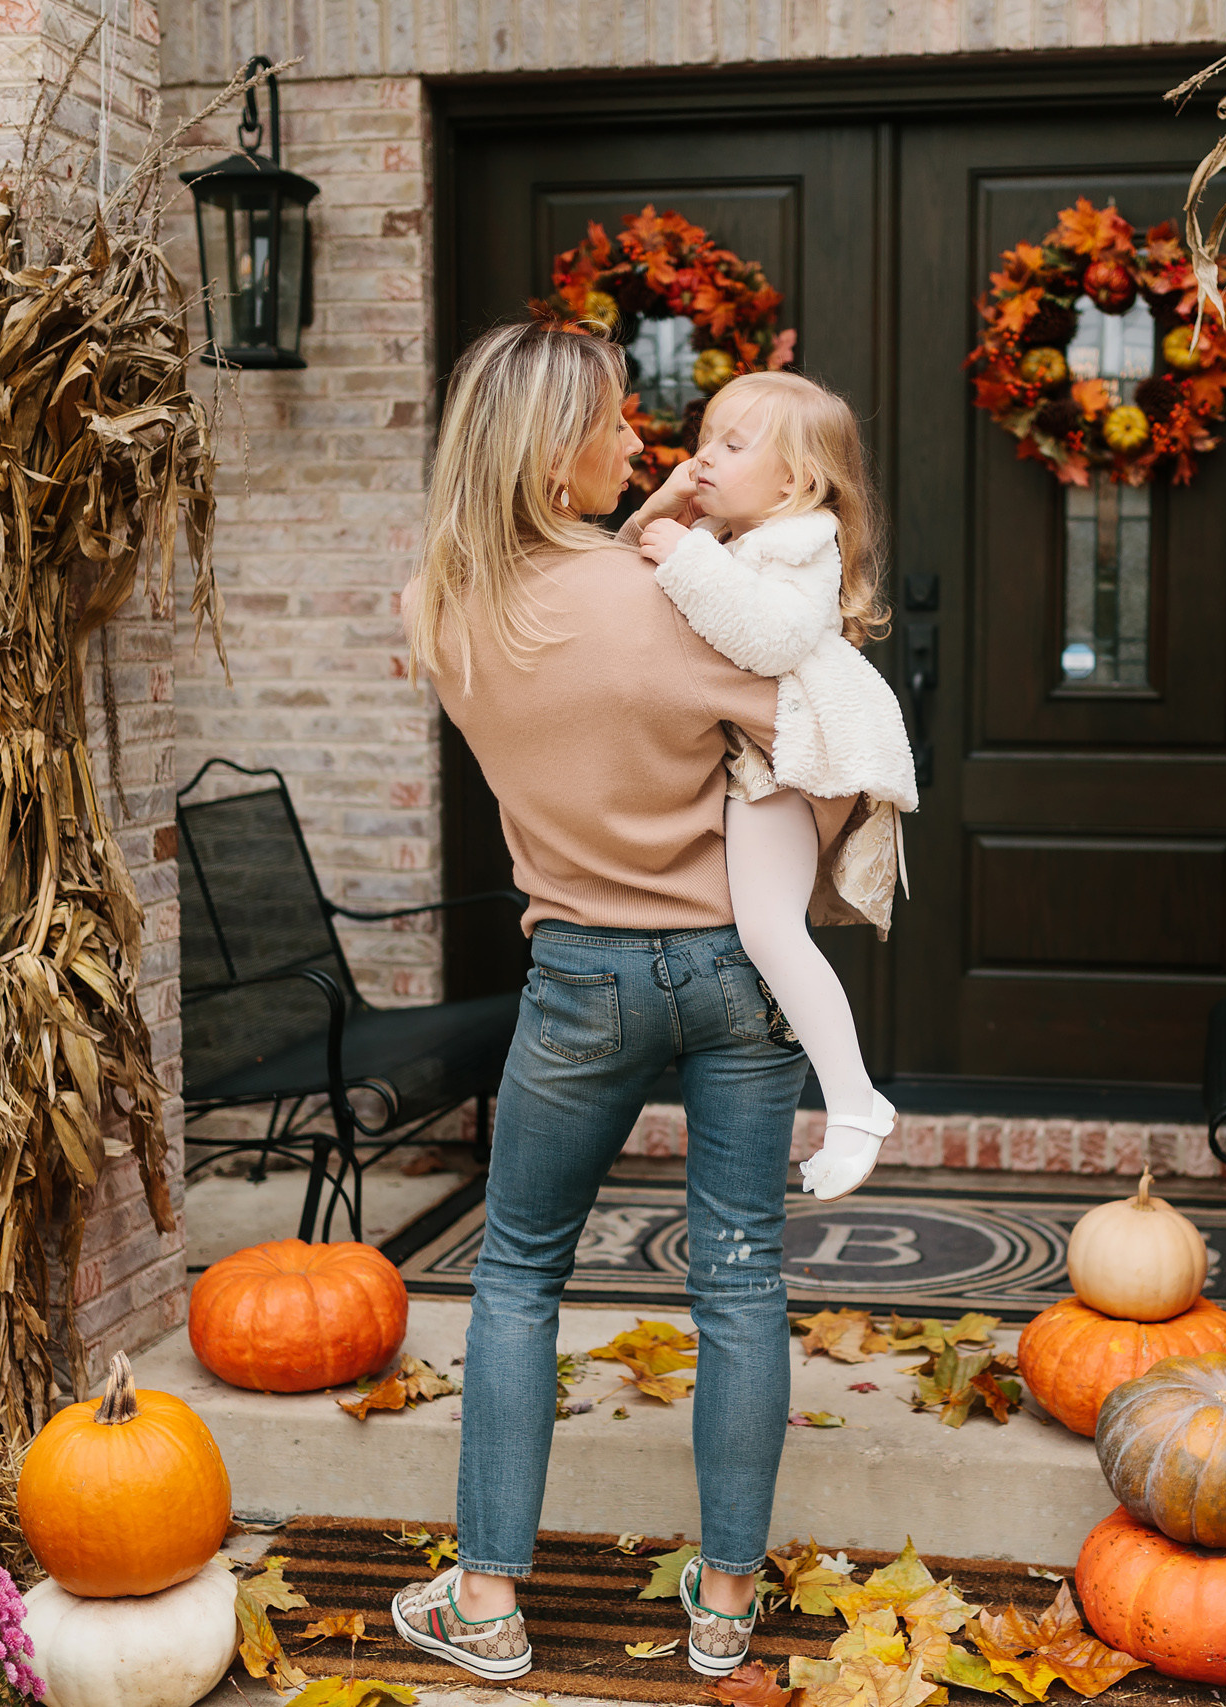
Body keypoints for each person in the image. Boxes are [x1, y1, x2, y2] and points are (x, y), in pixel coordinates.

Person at [392, 320, 854, 1683]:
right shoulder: (670, 600)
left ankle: (485, 1602)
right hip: (733, 968)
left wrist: (636, 524)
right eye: (612, 426)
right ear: (552, 455)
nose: (640, 446)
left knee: (519, 1273)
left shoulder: (438, 605)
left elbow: (547, 607)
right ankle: (721, 1605)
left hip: (579, 972)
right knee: (738, 1275)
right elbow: (815, 730)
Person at [617, 372, 917, 1202]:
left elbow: (774, 636)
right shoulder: (723, 532)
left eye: (733, 445)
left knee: (770, 929)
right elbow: (622, 573)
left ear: (796, 481)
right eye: (706, 436)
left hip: (784, 762)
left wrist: (686, 553)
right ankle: (845, 1096)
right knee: (759, 928)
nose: (706, 455)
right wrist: (668, 513)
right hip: (754, 757)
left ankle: (855, 1103)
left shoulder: (800, 540)